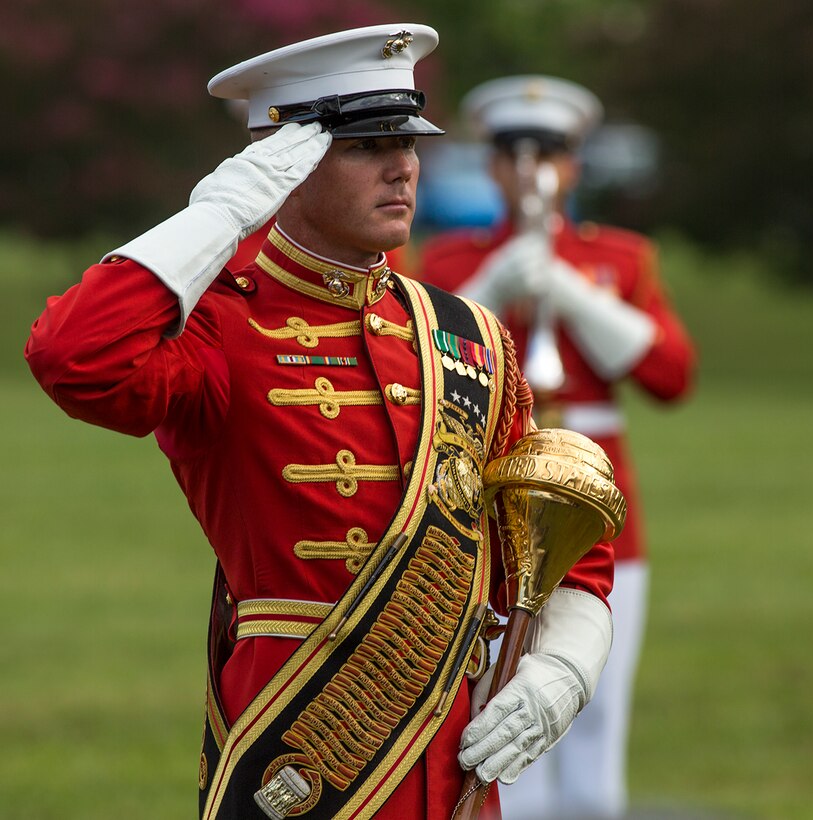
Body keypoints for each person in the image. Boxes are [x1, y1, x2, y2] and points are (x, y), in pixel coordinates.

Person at [24, 25, 616, 820]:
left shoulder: (469, 335)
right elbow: (75, 356)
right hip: (301, 748)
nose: (403, 165)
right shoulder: (223, 321)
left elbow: (562, 527)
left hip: (448, 756)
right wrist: (224, 211)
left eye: (408, 140)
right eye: (366, 144)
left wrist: (568, 663)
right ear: (287, 163)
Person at [418, 75, 696, 819]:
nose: (533, 167)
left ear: (576, 165)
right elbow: (423, 371)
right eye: (513, 150)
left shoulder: (623, 258)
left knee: (596, 714)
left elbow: (671, 375)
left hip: (602, 510)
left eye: (552, 151)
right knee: (500, 709)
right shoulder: (444, 265)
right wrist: (489, 287)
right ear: (493, 165)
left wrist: (574, 295)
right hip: (492, 512)